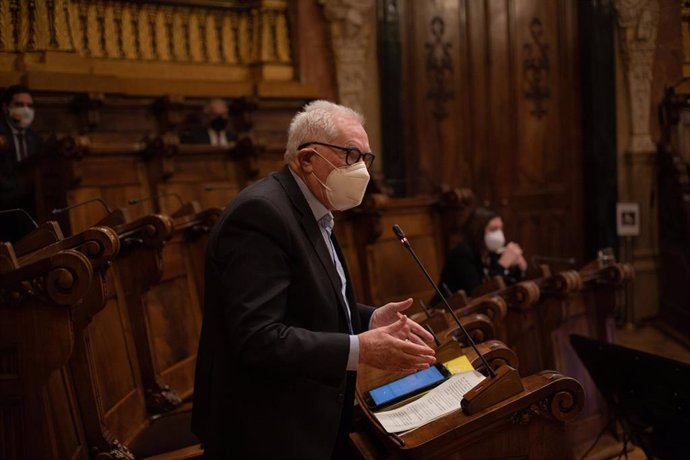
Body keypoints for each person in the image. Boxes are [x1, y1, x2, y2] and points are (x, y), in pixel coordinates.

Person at [192, 100, 436, 459]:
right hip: (265, 432)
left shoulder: (312, 208)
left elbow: (306, 302)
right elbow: (258, 338)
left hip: (307, 418)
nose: (362, 171)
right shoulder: (261, 214)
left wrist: (367, 318)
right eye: (351, 155)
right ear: (307, 159)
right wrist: (361, 349)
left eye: (366, 159)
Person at [432, 207, 527, 304]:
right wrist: (503, 264)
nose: (499, 234)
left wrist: (520, 268)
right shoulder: (462, 253)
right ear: (478, 231)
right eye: (493, 229)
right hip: (449, 311)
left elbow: (507, 284)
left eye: (500, 229)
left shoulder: (491, 253)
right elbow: (479, 293)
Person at [0, 85, 42, 241]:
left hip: (33, 208)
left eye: (29, 106)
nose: (26, 110)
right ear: (6, 107)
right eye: (19, 105)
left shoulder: (36, 139)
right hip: (4, 209)